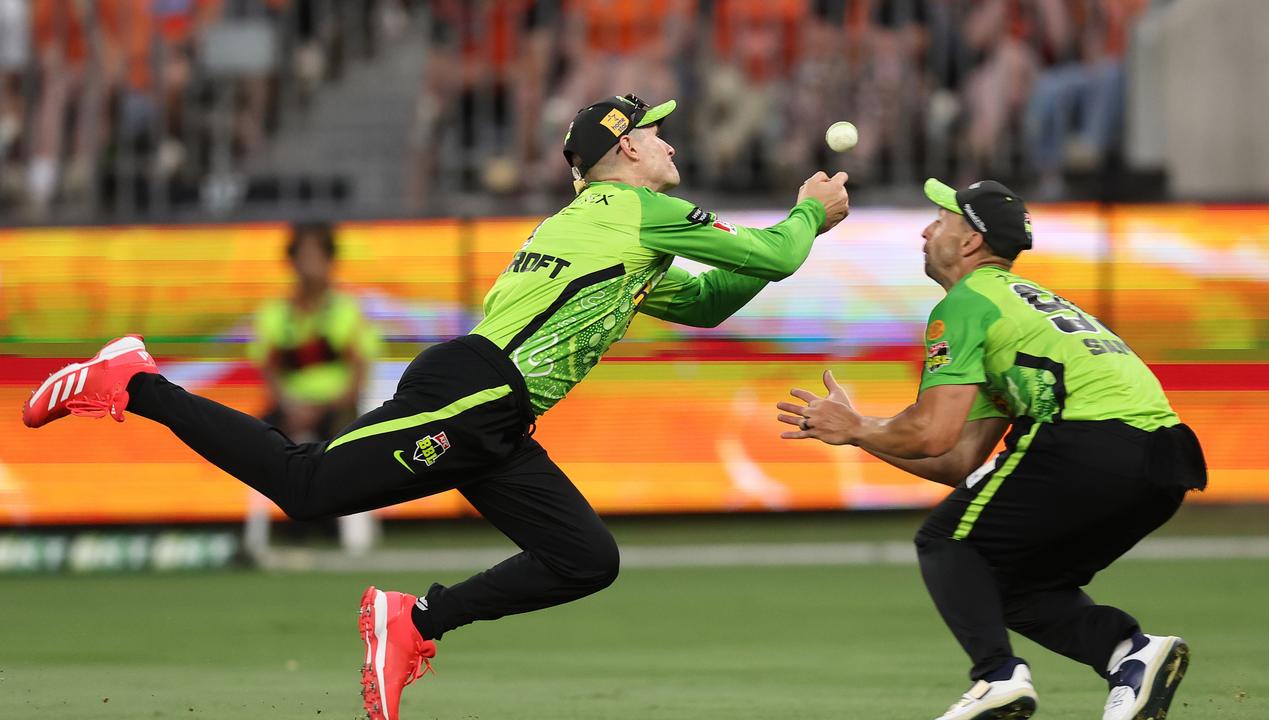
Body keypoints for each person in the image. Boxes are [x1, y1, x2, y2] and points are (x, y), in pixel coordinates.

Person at [22, 93, 850, 720]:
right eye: (658, 131)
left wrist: (799, 236)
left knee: (584, 558)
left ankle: (416, 620)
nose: (672, 142)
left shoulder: (610, 229)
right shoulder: (638, 211)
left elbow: (711, 303)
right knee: (306, 489)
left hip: (497, 411)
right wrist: (814, 212)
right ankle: (134, 381)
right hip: (477, 391)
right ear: (627, 147)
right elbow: (775, 250)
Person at [776, 178, 1205, 720]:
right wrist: (859, 432)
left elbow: (932, 433)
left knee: (945, 543)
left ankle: (998, 679)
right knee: (1005, 583)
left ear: (970, 242)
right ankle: (1130, 653)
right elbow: (957, 460)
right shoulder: (1021, 303)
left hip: (1090, 439)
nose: (928, 229)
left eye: (943, 220)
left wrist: (858, 425)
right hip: (1164, 461)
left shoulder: (967, 303)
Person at [250, 222, 378, 444]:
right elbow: (270, 371)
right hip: (289, 411)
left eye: (317, 254)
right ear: (292, 260)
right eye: (304, 255)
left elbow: (358, 374)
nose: (310, 264)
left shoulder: (348, 310)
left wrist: (318, 411)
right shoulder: (275, 313)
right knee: (252, 440)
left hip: (337, 412)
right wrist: (292, 408)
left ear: (330, 260)